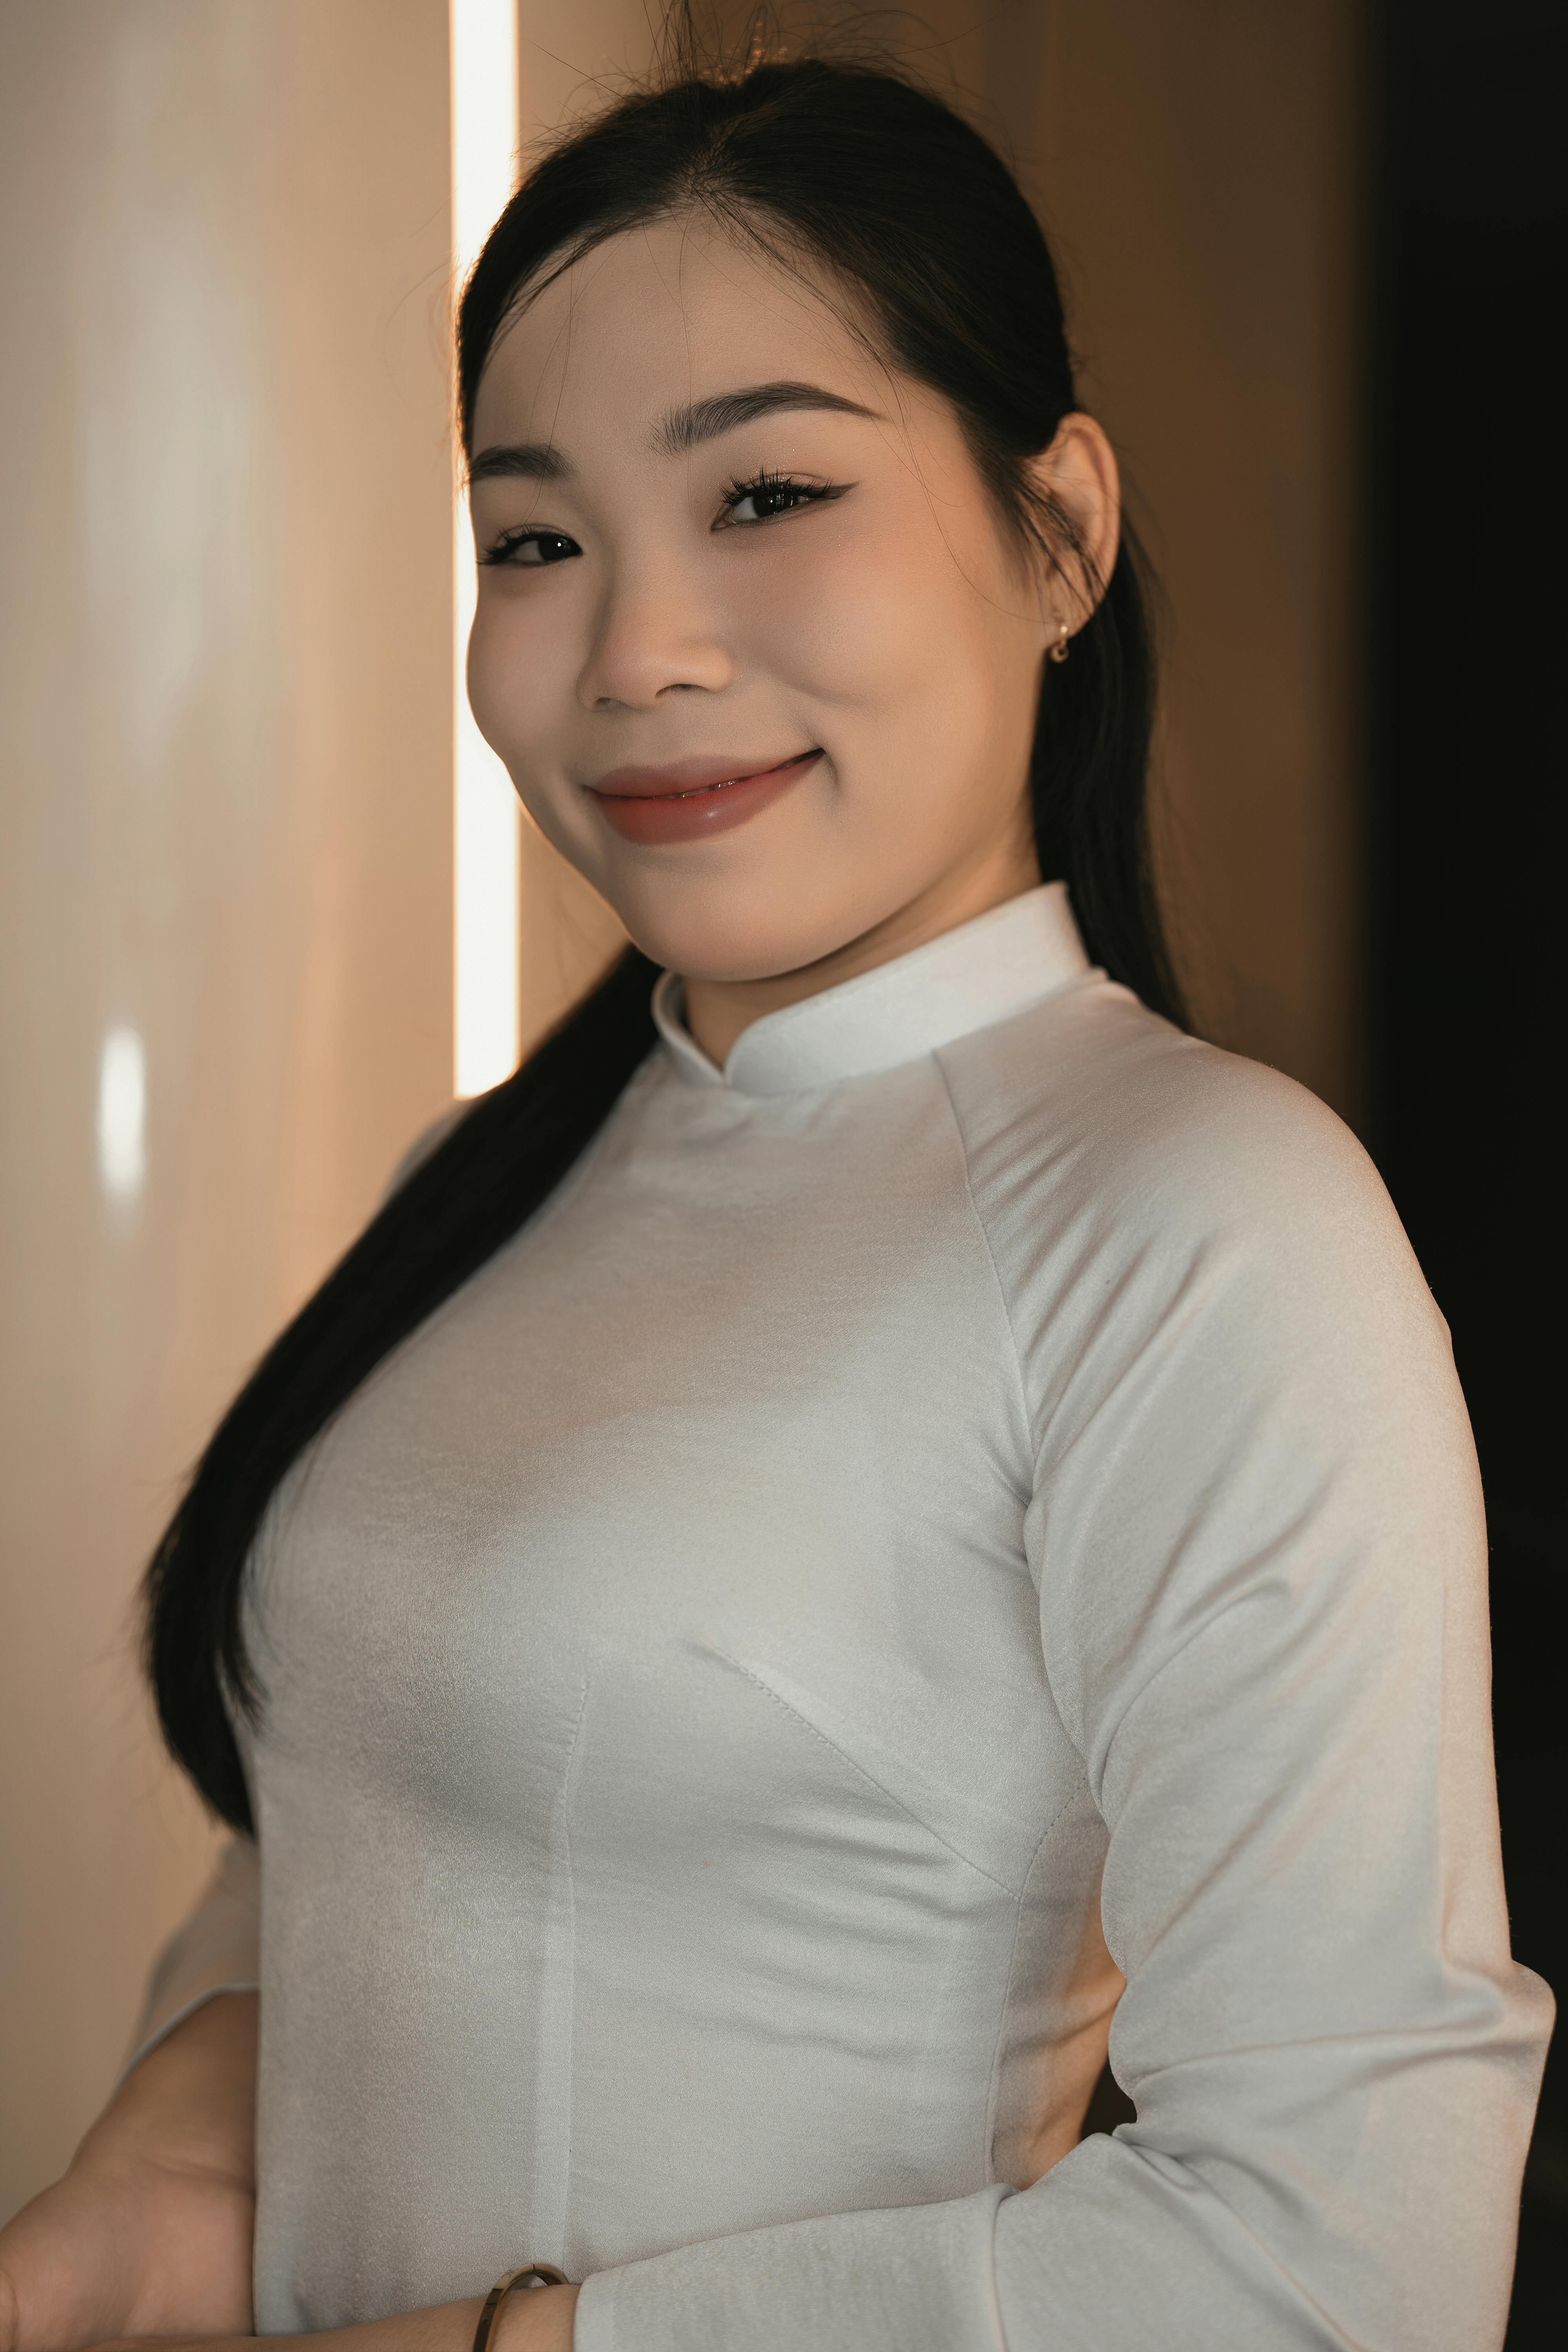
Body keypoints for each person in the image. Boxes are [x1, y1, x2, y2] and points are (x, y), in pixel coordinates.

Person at [0, 41, 1551, 2352]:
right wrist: (134, 2203)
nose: (638, 651)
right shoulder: (483, 1182)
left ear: (1059, 534)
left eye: (766, 495)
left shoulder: (1202, 1230)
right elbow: (358, 1858)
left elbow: (1340, 2268)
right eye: (537, 540)